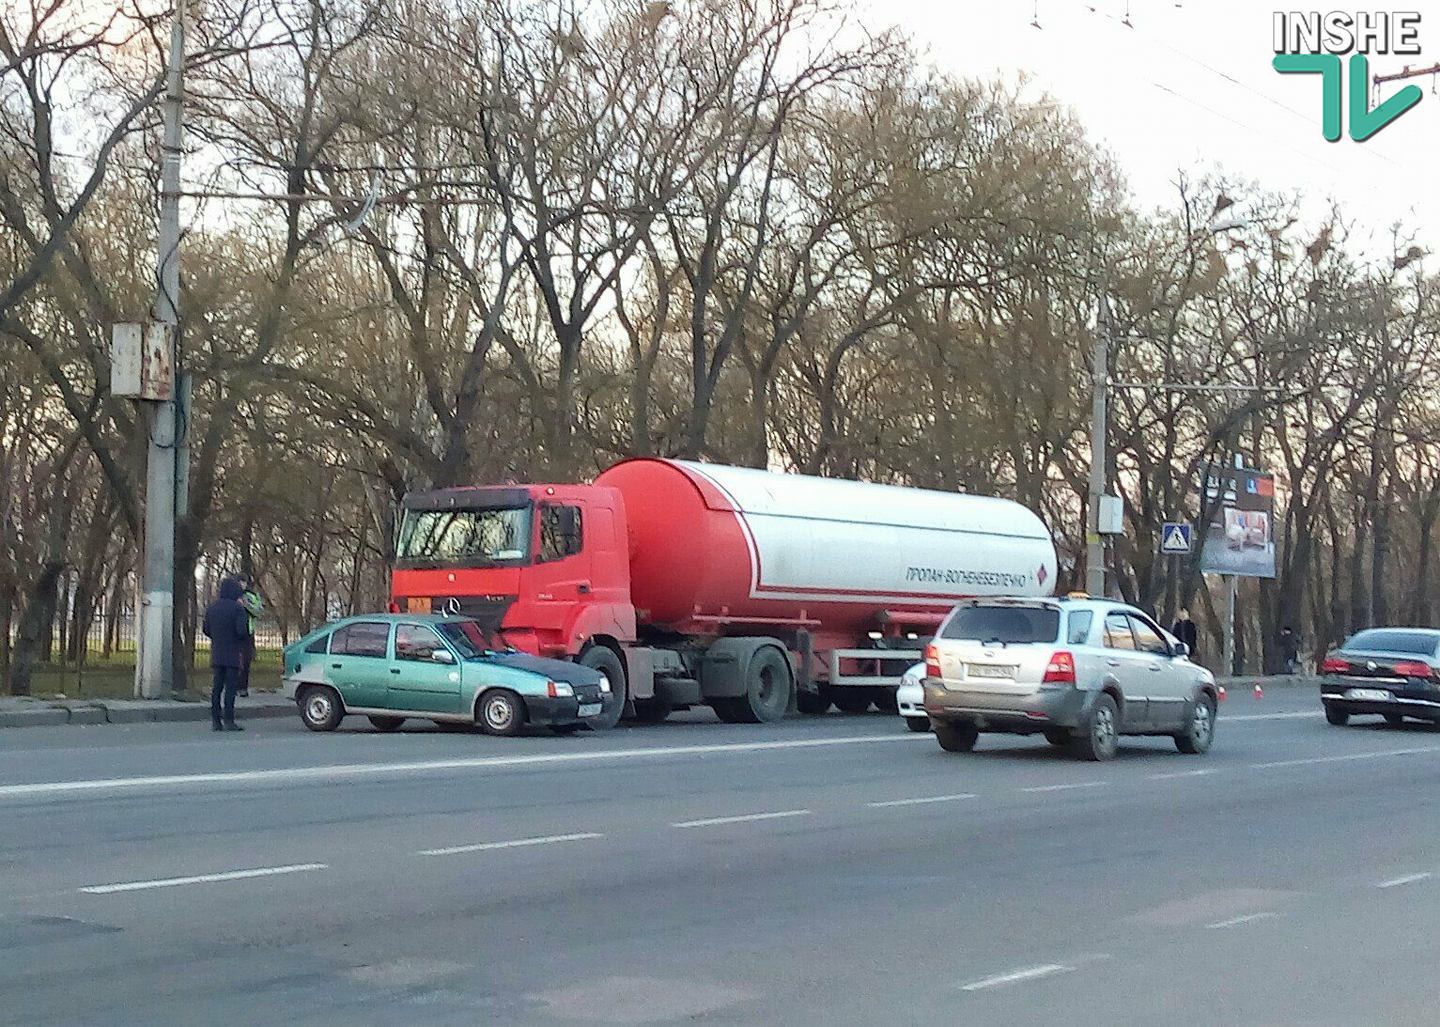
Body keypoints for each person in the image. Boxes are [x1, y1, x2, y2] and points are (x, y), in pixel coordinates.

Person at [203, 575, 251, 732]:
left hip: (217, 652)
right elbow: (241, 631)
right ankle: (229, 720)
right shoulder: (238, 609)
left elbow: (206, 629)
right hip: (233, 653)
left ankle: (216, 721)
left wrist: (217, 637)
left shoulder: (212, 607)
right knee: (230, 689)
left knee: (216, 688)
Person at [237, 577, 263, 698]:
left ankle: (243, 688)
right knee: (233, 660)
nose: (242, 585)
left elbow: (258, 612)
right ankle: (233, 686)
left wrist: (246, 604)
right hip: (233, 631)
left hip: (247, 632)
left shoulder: (253, 596)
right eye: (240, 582)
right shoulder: (231, 595)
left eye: (244, 582)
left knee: (246, 660)